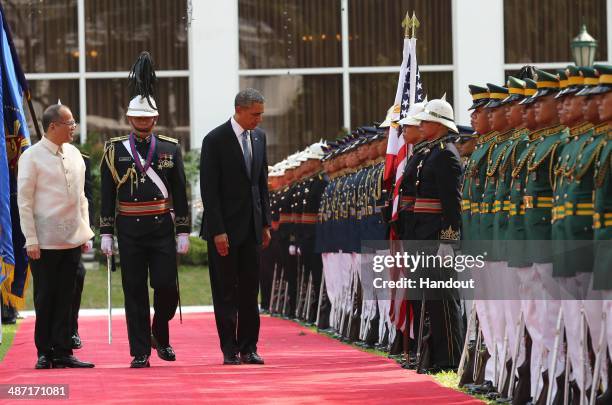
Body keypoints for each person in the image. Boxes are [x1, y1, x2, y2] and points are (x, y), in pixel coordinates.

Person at [100, 52, 190, 368]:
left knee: (167, 287)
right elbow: (108, 193)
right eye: (136, 119)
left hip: (161, 228)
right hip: (130, 228)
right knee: (134, 291)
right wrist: (107, 232)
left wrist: (182, 229)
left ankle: (159, 331)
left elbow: (180, 190)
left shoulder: (169, 148)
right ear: (129, 119)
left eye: (146, 118)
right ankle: (140, 351)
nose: (141, 123)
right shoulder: (114, 150)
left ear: (154, 119)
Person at [17, 104, 95, 369]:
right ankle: (44, 351)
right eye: (69, 123)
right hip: (44, 241)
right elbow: (24, 202)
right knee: (46, 296)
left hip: (72, 238)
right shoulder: (32, 157)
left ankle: (63, 350)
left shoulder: (74, 154)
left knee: (67, 296)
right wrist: (31, 239)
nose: (74, 127)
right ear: (53, 126)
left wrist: (86, 232)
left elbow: (81, 197)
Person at [200, 88, 271, 365]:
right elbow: (210, 190)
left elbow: (261, 184)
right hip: (225, 231)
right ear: (239, 110)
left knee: (250, 291)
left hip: (252, 228)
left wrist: (265, 222)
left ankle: (249, 347)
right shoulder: (215, 140)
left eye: (261, 114)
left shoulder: (260, 138)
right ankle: (229, 349)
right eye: (255, 114)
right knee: (226, 291)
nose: (259, 120)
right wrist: (218, 230)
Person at [71, 150, 94, 349]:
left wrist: (88, 231)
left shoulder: (81, 158)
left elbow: (88, 198)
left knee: (77, 275)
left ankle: (71, 329)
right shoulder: (36, 156)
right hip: (48, 232)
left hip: (74, 230)